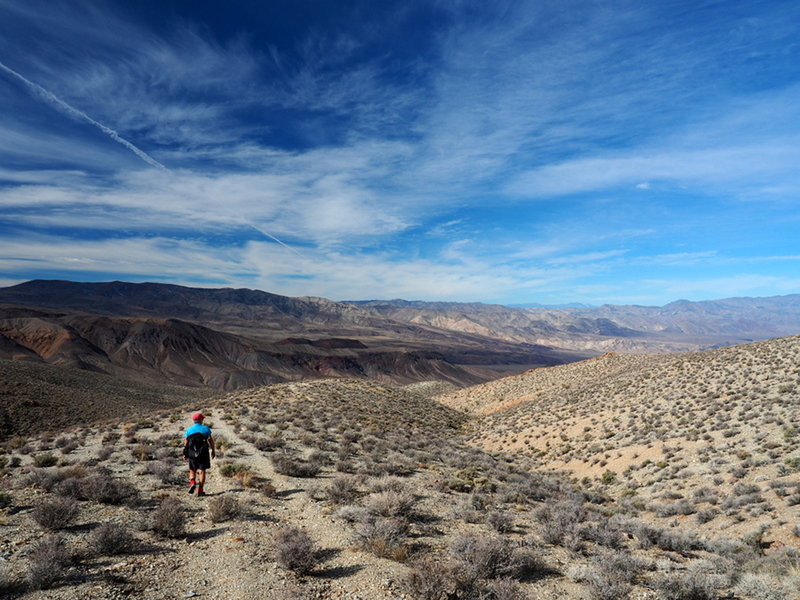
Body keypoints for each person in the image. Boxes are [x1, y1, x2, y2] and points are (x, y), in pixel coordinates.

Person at [183, 412, 216, 496]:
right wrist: (213, 450)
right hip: (203, 453)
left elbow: (186, 442)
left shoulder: (189, 430)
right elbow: (210, 440)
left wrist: (185, 453)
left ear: (194, 420)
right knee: (202, 471)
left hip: (192, 452)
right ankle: (200, 490)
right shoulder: (205, 429)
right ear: (201, 420)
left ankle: (192, 482)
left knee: (192, 469)